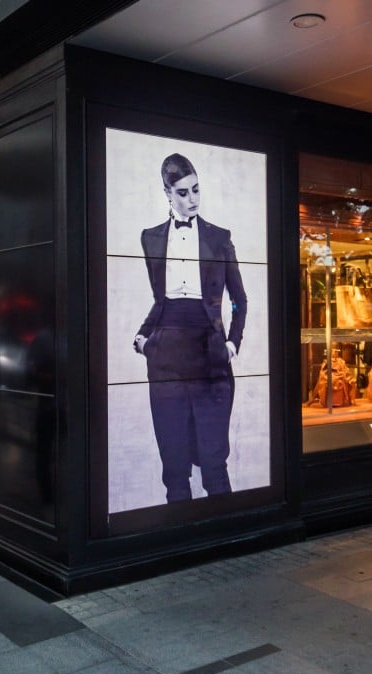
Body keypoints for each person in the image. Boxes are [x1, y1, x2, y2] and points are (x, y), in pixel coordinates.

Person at [133, 153, 247, 503]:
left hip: (210, 353)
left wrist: (232, 343)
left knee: (214, 462)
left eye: (196, 190)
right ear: (167, 193)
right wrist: (143, 336)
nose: (192, 198)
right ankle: (178, 540)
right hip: (166, 355)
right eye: (183, 192)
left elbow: (239, 299)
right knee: (175, 466)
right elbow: (162, 299)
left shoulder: (219, 237)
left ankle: (225, 542)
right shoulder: (150, 238)